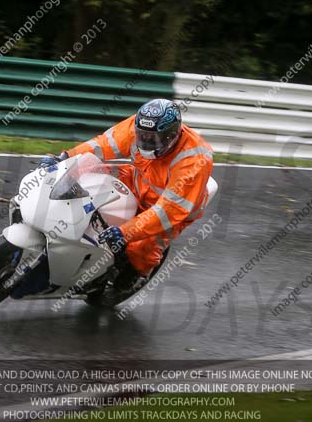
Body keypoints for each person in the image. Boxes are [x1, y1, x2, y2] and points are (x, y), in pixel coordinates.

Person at [38, 98, 214, 295]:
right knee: (92, 171)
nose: (146, 141)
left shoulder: (194, 159)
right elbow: (102, 145)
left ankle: (136, 276)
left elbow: (169, 210)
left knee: (140, 249)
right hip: (138, 180)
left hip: (172, 208)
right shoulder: (138, 125)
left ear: (172, 135)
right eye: (143, 135)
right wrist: (65, 158)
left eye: (154, 138)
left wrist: (125, 232)